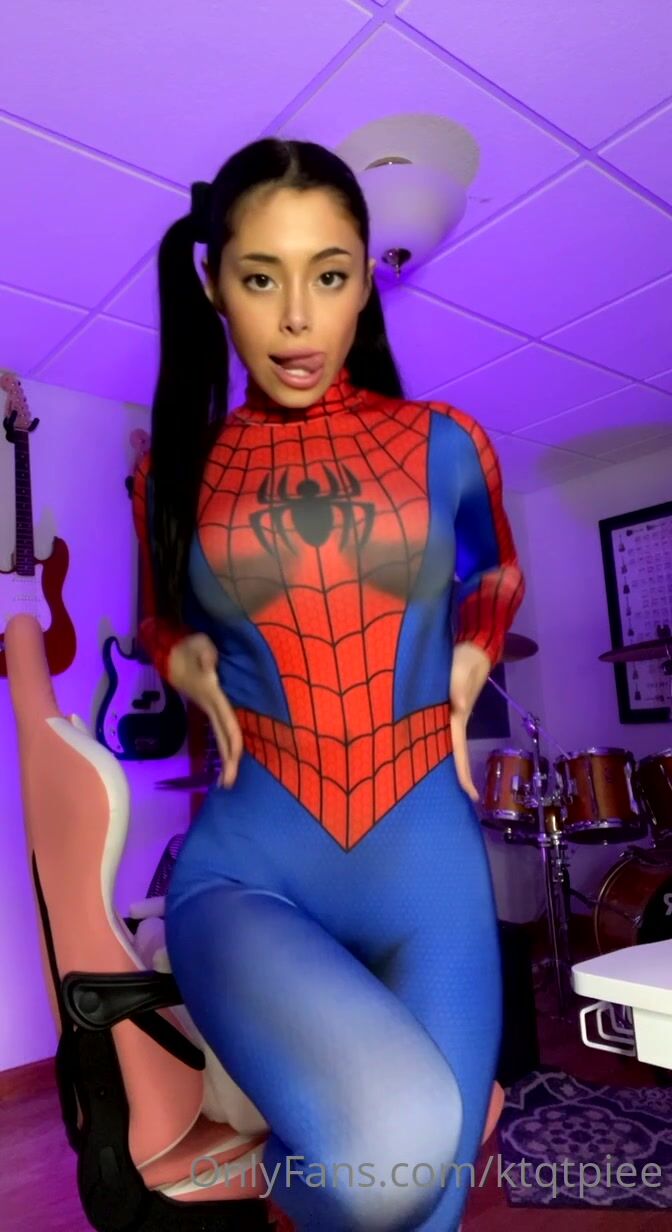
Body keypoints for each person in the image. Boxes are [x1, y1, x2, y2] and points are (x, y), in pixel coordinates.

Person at [132, 137, 525, 1232]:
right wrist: (175, 651)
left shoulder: (447, 443)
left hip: (427, 863)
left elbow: (495, 567)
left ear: (364, 283)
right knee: (392, 1150)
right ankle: (293, 1169)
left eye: (331, 273)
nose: (299, 317)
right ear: (213, 284)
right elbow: (157, 614)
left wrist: (476, 642)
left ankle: (297, 1176)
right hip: (250, 863)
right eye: (262, 277)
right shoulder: (174, 470)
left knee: (427, 1207)